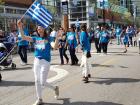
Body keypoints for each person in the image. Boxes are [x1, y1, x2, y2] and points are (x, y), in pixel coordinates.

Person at [17, 20, 59, 105]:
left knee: (43, 82)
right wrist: (20, 27)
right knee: (37, 80)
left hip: (45, 61)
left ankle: (55, 88)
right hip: (37, 61)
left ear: (44, 29)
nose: (40, 30)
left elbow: (54, 47)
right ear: (37, 30)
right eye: (38, 29)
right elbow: (24, 37)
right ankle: (40, 99)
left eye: (41, 28)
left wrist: (57, 38)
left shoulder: (48, 38)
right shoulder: (35, 39)